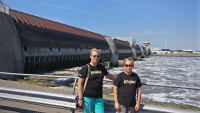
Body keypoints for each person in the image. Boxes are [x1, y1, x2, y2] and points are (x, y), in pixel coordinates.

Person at [78, 48, 115, 113]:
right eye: (94, 56)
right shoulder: (86, 68)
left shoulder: (101, 67)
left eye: (97, 56)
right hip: (87, 97)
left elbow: (107, 75)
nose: (96, 58)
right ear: (90, 56)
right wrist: (80, 98)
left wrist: (116, 79)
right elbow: (80, 83)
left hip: (99, 97)